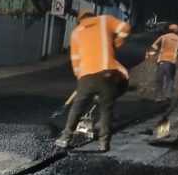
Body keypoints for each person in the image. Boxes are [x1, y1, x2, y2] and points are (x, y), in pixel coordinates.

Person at [56, 9, 131, 152]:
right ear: (93, 16)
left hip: (86, 75)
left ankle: (65, 138)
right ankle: (104, 144)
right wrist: (115, 43)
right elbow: (125, 29)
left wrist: (81, 78)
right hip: (108, 73)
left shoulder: (76, 32)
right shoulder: (104, 20)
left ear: (80, 20)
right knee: (106, 110)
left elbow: (76, 59)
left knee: (77, 108)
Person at [148, 23, 178, 101]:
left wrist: (152, 56)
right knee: (170, 79)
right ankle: (168, 95)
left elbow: (154, 46)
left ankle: (158, 97)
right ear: (176, 31)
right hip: (172, 62)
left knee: (159, 79)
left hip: (162, 61)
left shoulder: (163, 37)